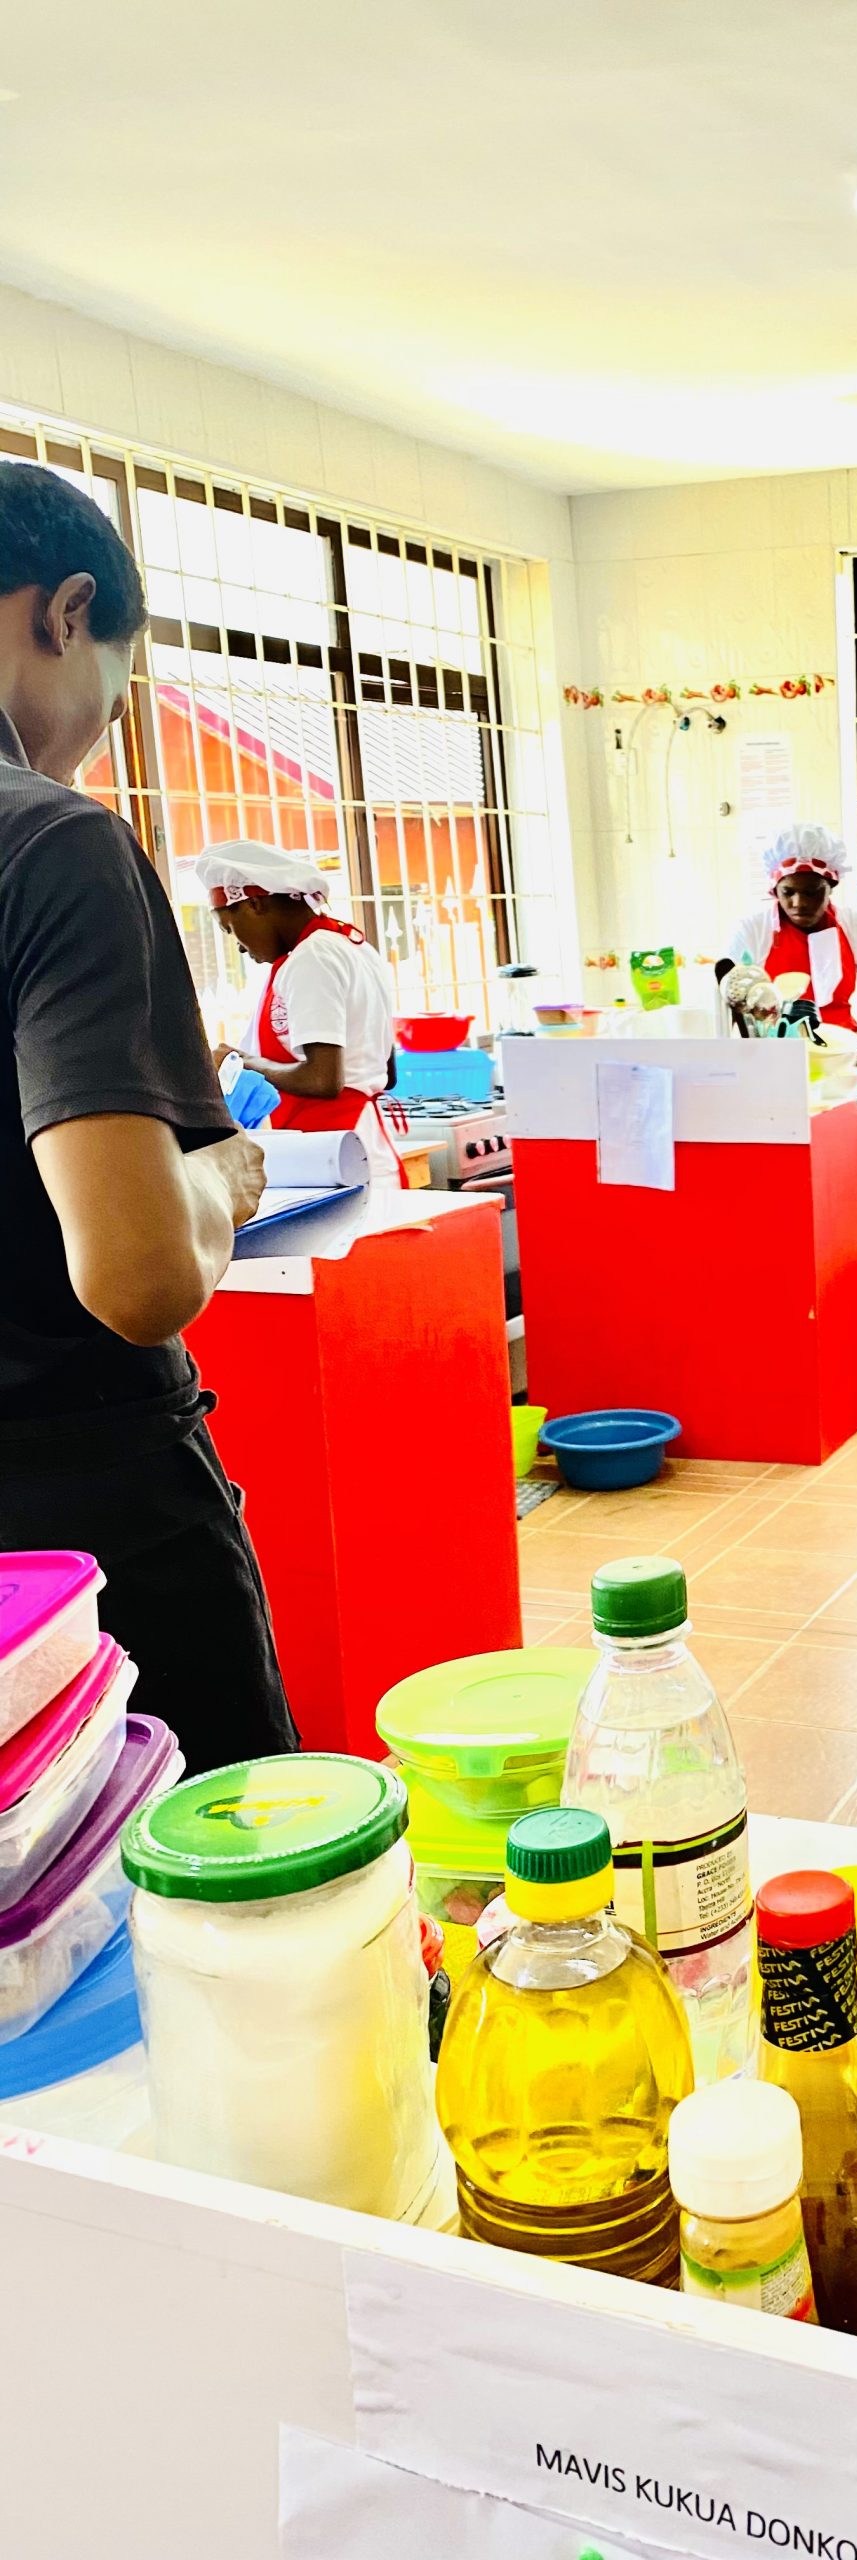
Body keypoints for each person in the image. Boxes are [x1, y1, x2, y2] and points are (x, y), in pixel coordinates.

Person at [0, 461, 295, 1771]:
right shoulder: (50, 843)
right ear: (65, 614)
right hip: (77, 1527)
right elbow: (136, 1277)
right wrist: (220, 1176)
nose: (89, 744)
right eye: (113, 700)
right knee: (202, 1871)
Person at [194, 841, 401, 1181]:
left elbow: (323, 1080)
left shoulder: (312, 958)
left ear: (254, 904)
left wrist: (245, 1062)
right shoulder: (352, 946)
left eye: (230, 929)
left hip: (336, 1150)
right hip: (360, 1143)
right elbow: (388, 1072)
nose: (240, 947)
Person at [718, 824, 857, 1042]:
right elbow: (734, 1006)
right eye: (788, 892)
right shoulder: (752, 930)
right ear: (774, 890)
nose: (799, 903)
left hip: (842, 1046)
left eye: (812, 892)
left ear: (830, 886)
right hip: (775, 1048)